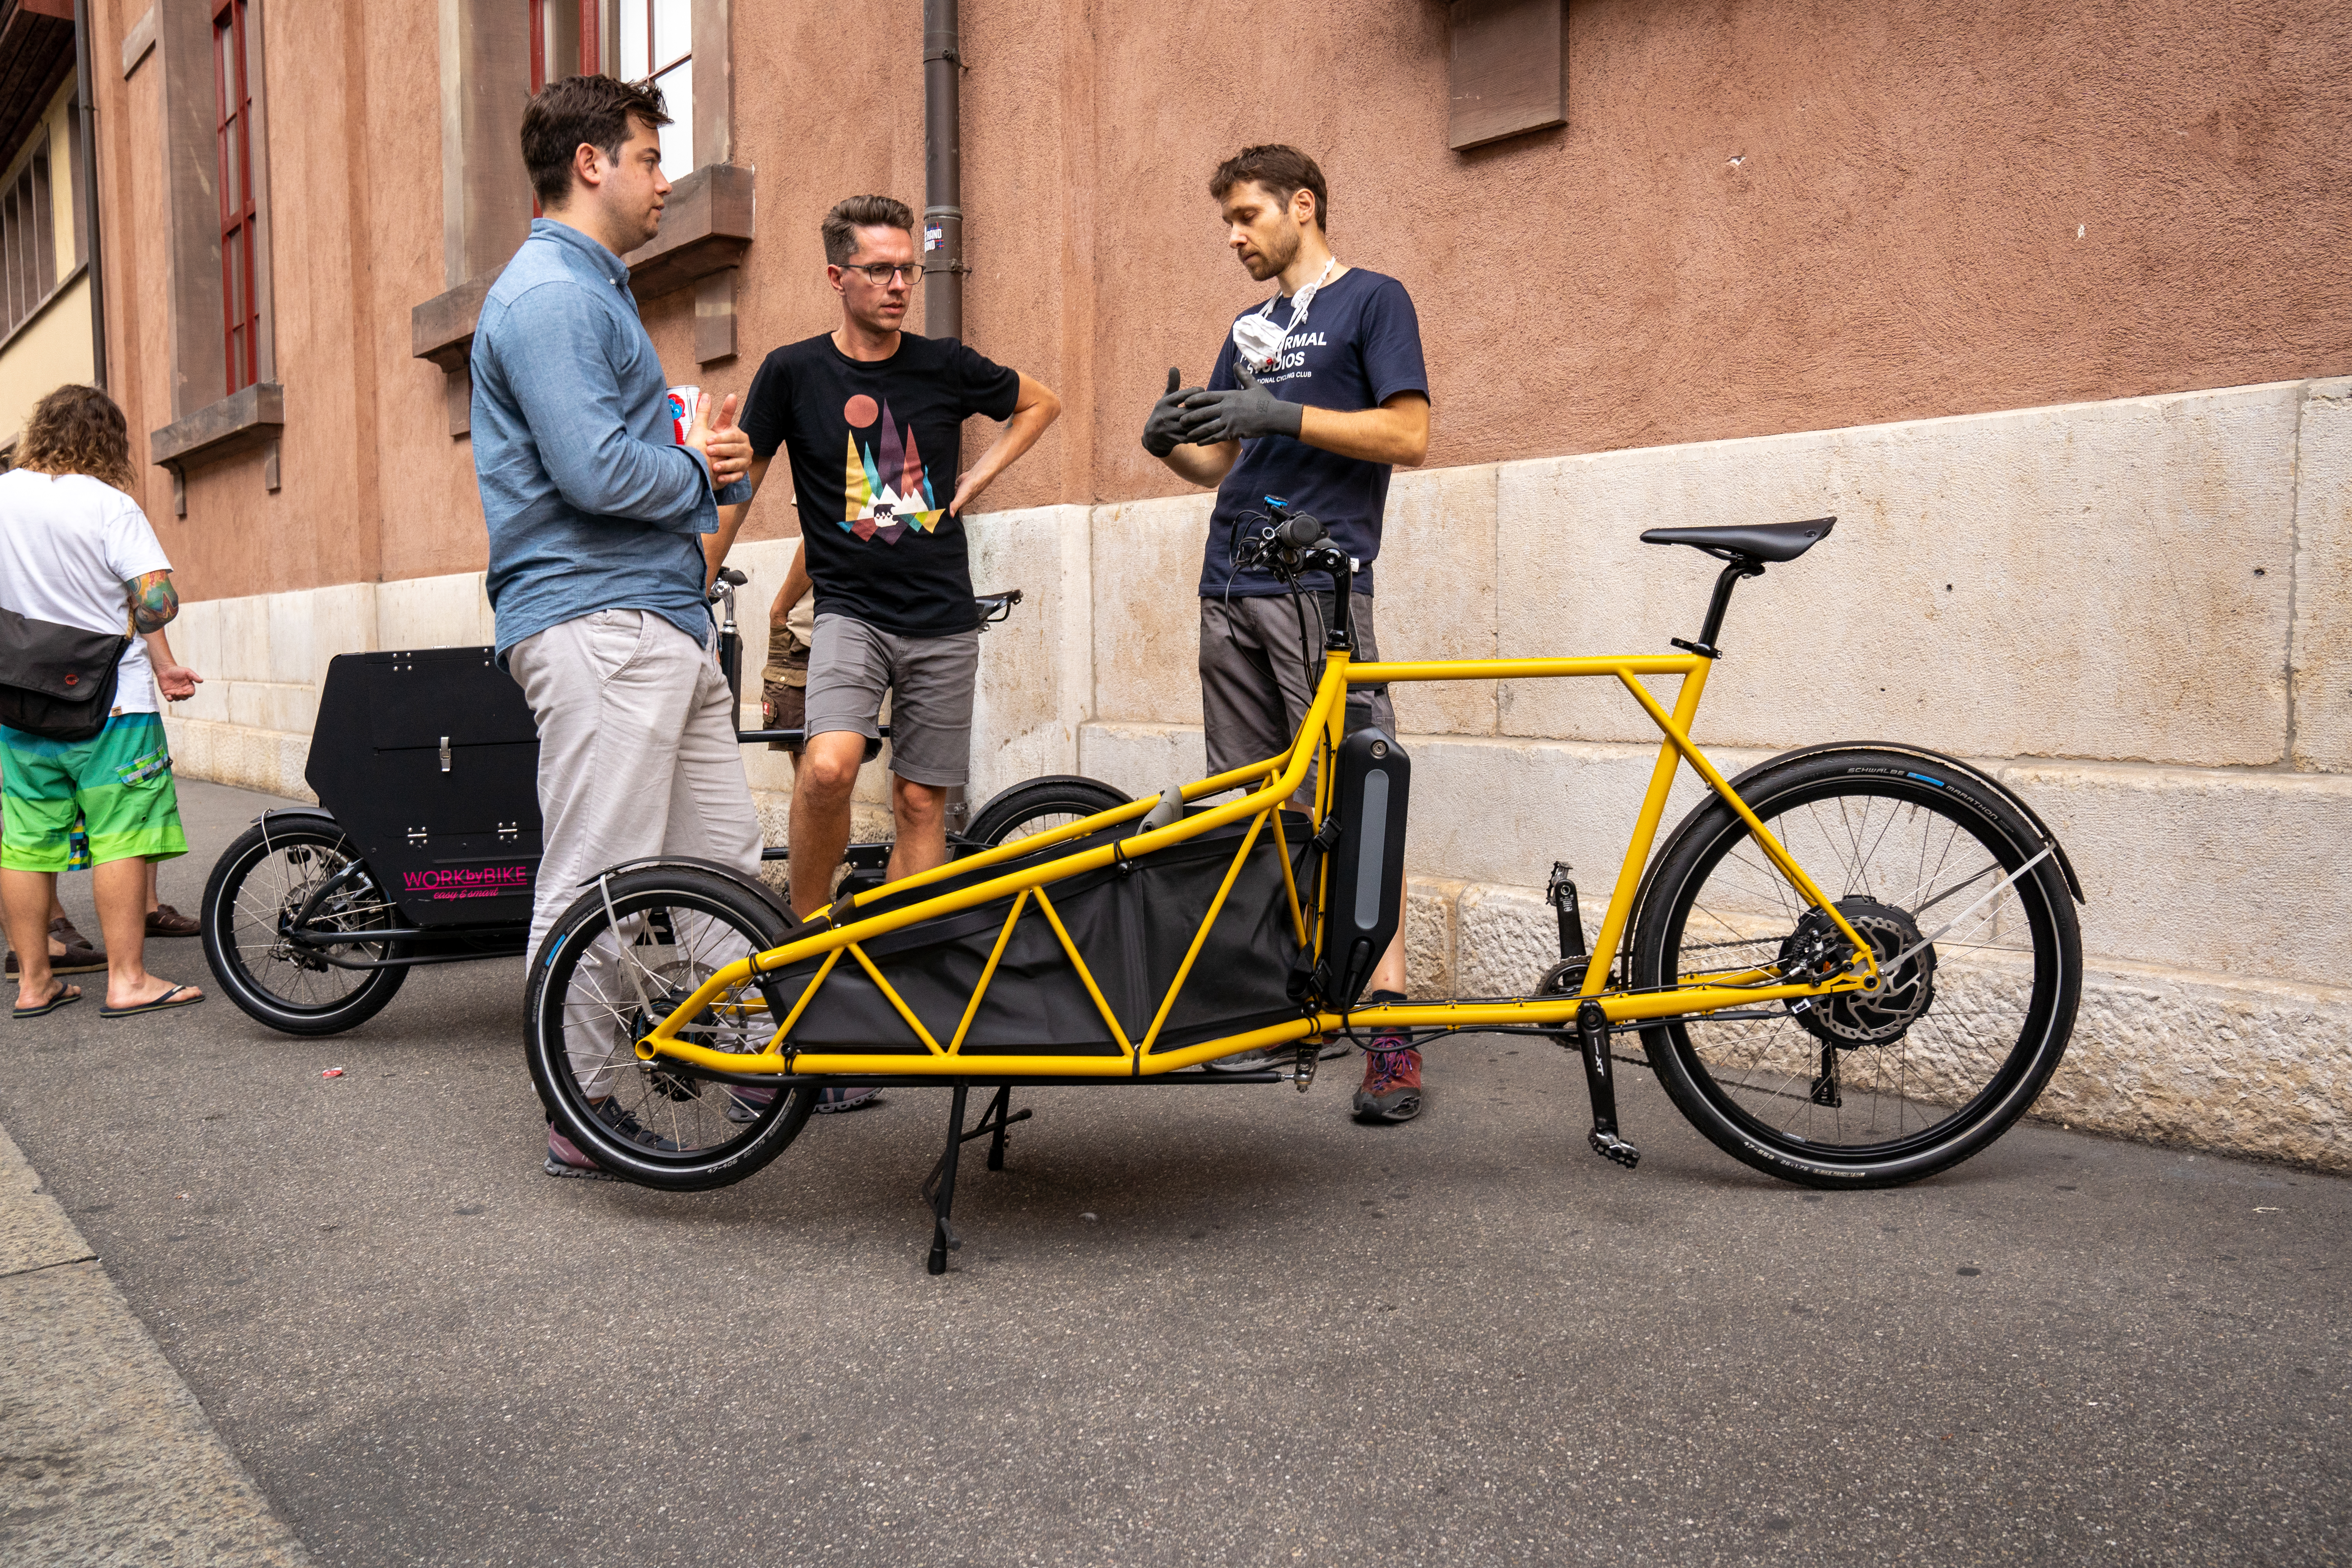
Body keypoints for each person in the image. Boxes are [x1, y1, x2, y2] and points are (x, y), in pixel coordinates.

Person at [470, 74, 757, 1176]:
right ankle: (581, 1105)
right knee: (602, 874)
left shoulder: (590, 290)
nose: (665, 178)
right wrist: (696, 471)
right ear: (591, 162)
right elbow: (592, 470)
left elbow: (607, 450)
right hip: (601, 620)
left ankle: (746, 1054)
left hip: (650, 617)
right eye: (647, 156)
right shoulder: (550, 295)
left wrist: (697, 463)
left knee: (718, 859)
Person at [1141, 145, 1432, 1123]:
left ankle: (1389, 1029)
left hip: (1320, 589)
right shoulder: (1248, 326)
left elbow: (1409, 435)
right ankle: (1261, 1011)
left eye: (1248, 215)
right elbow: (1220, 460)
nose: (1234, 235)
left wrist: (1288, 414)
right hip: (1228, 583)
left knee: (1359, 794)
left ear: (1302, 206)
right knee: (1254, 805)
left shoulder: (1373, 302)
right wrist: (1169, 439)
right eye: (1227, 218)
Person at [719, 195, 1061, 926]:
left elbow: (1041, 405)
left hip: (942, 614)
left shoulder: (942, 365)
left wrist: (977, 480)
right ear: (837, 277)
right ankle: (805, 943)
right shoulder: (792, 372)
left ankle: (904, 971)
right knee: (828, 768)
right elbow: (743, 480)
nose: (900, 285)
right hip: (850, 611)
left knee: (917, 801)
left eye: (908, 270)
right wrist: (693, 580)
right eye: (880, 271)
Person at [0, 385, 204, 1018]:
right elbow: (156, 600)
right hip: (112, 703)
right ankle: (128, 979)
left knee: (25, 840)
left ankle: (35, 983)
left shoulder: (4, 495)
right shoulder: (110, 504)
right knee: (122, 834)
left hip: (16, 698)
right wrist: (147, 617)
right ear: (107, 442)